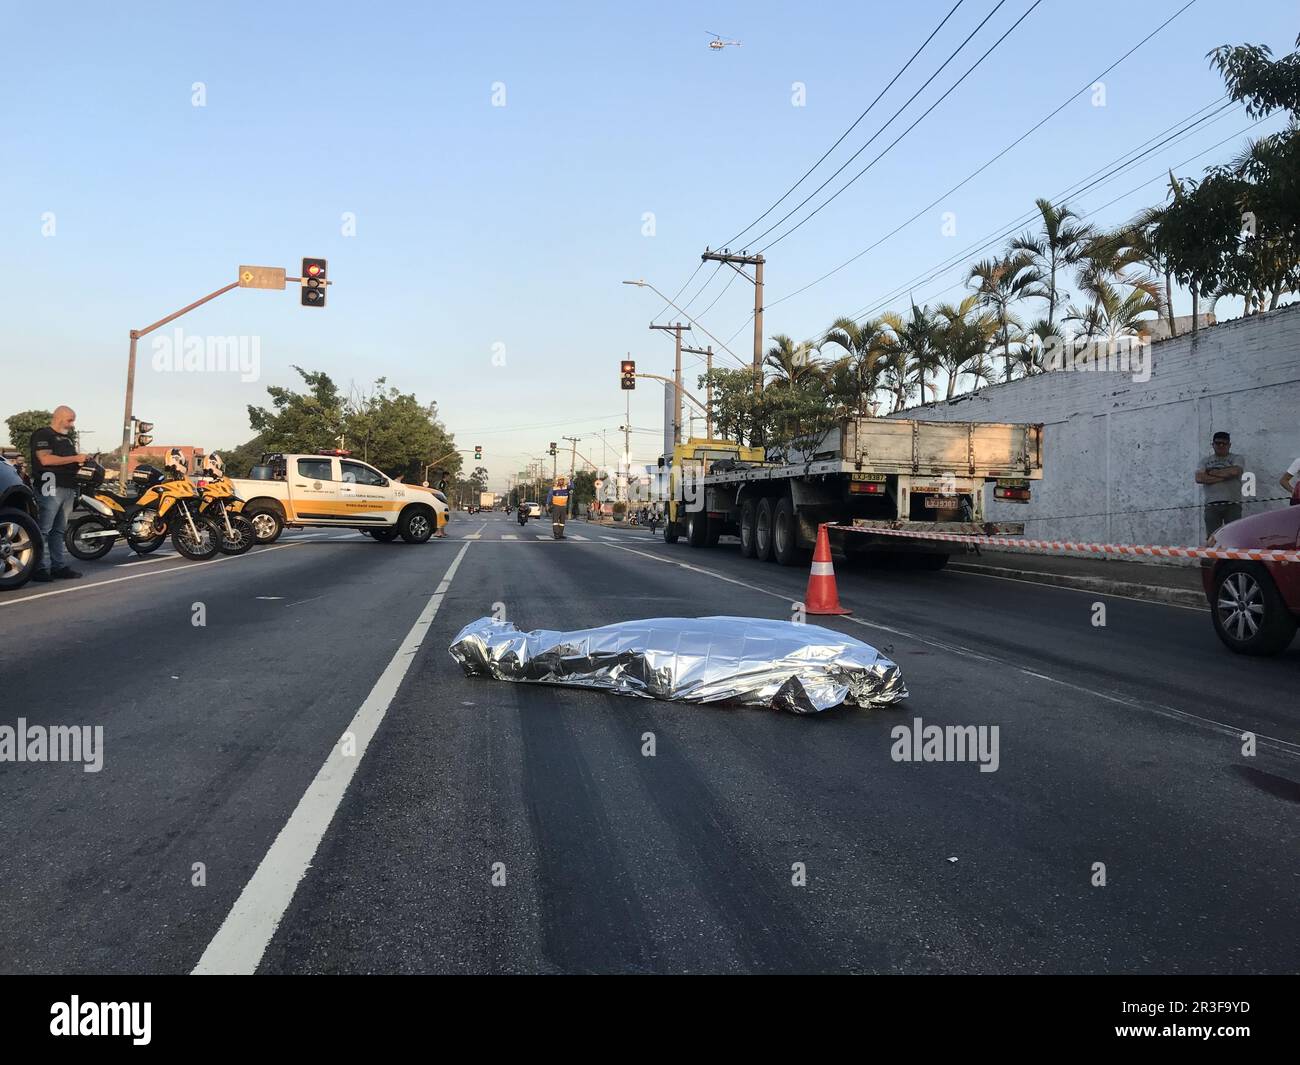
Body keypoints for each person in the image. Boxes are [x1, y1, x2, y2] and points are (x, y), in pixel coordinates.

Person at [29, 405, 88, 581]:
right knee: (44, 528)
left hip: (68, 485)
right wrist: (76, 458)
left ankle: (58, 566)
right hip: (50, 485)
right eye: (70, 420)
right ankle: (36, 567)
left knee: (59, 530)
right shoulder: (43, 434)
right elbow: (45, 459)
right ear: (58, 417)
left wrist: (81, 462)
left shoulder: (68, 439)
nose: (72, 424)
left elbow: (68, 460)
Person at [1195, 431, 1245, 540]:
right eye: (1218, 443)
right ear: (1213, 445)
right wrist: (1225, 475)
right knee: (1212, 538)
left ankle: (1232, 557)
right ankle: (1212, 557)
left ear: (1229, 445)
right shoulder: (1205, 461)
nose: (1221, 446)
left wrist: (1211, 472)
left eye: (1224, 443)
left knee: (1234, 536)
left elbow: (1235, 471)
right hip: (1211, 504)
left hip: (1233, 503)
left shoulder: (1237, 458)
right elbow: (1199, 478)